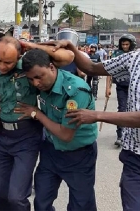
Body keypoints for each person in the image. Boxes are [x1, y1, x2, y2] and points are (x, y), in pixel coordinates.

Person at [48, 12, 140, 211]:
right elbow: (93, 68)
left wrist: (96, 115)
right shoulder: (135, 59)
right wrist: (73, 49)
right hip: (136, 158)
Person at [0, 36, 74, 210]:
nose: (1, 66)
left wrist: (30, 45)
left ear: (19, 56)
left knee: (16, 198)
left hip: (26, 137)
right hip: (1, 137)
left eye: (8, 63)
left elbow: (67, 57)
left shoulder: (29, 69)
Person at [16, 48, 98, 211]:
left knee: (81, 205)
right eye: (31, 79)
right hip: (51, 151)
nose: (36, 83)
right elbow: (4, 59)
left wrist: (36, 113)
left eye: (39, 77)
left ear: (52, 67)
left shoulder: (75, 91)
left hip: (79, 155)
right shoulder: (40, 80)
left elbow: (65, 134)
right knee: (41, 202)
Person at [105, 34, 136, 147]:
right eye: (123, 44)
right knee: (122, 109)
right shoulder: (116, 54)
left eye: (127, 44)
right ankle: (120, 135)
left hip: (134, 86)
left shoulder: (136, 55)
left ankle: (133, 134)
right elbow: (109, 70)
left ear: (131, 45)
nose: (125, 46)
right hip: (121, 86)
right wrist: (107, 88)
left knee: (134, 110)